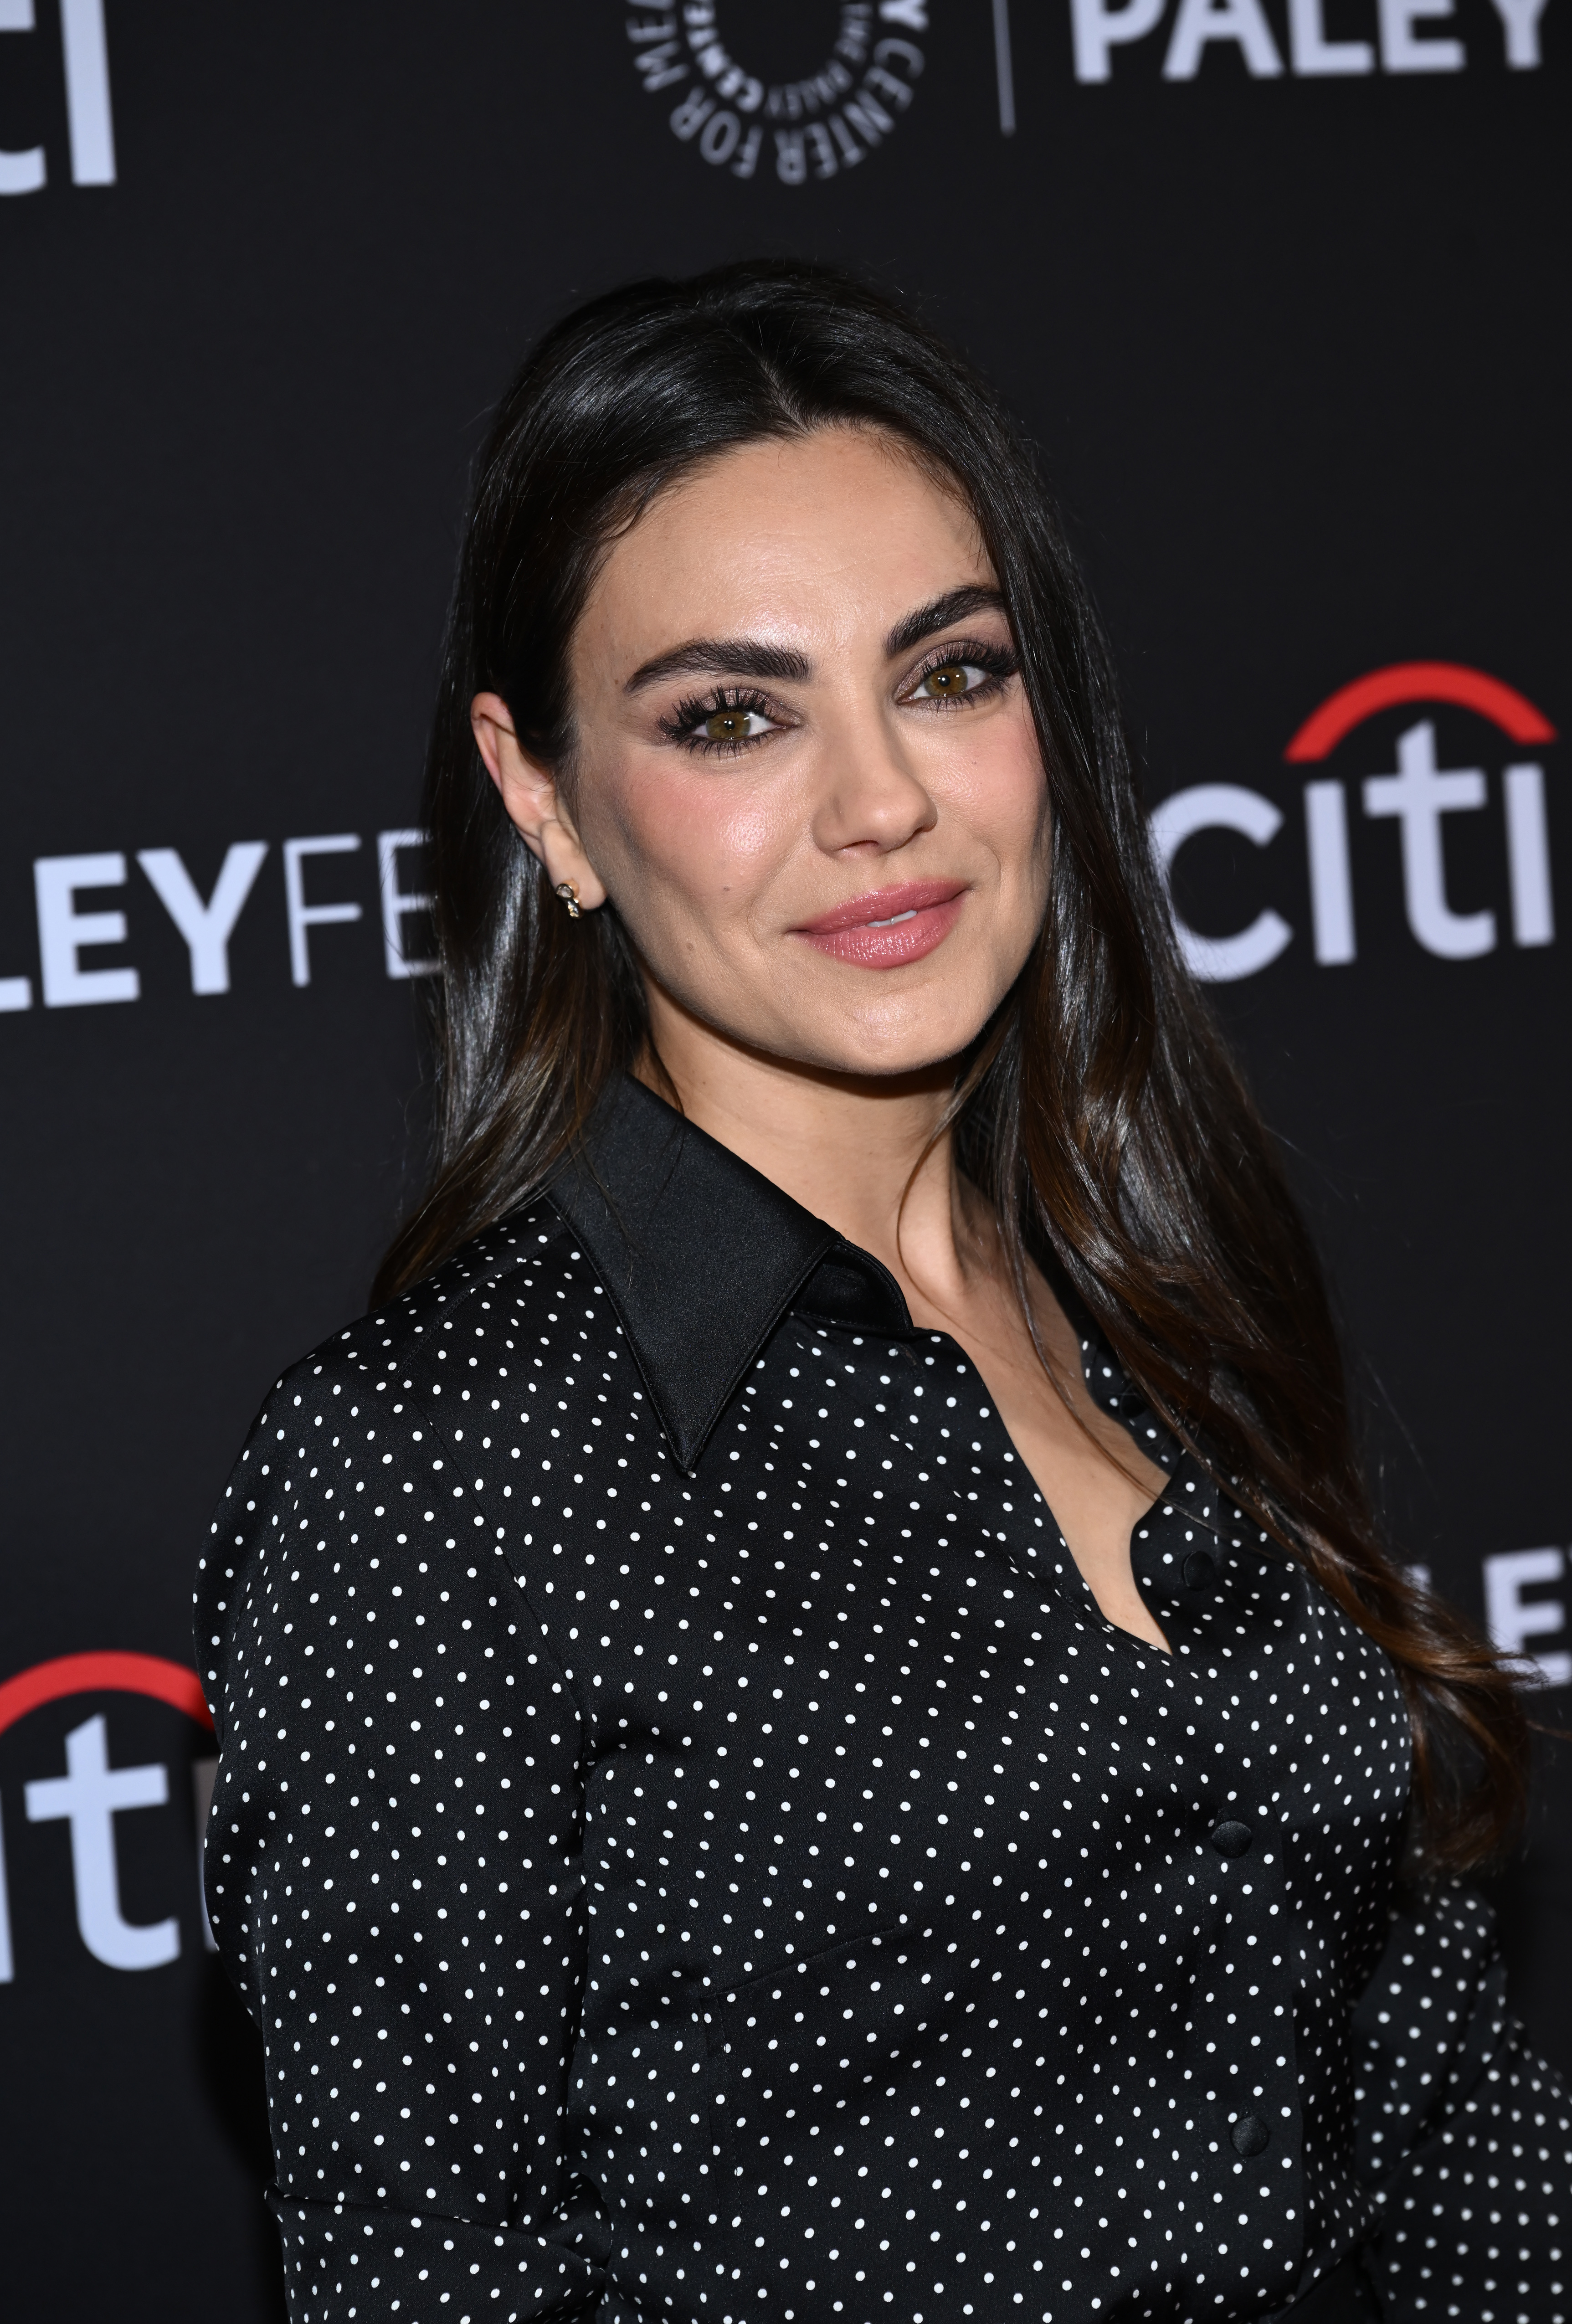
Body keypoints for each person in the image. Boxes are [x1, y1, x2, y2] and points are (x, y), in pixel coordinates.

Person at [195, 262, 1569, 2324]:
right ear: (544, 793)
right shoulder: (424, 1482)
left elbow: (1439, 2116)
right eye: (730, 715)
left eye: (947, 674)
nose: (880, 805)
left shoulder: (1160, 1301)